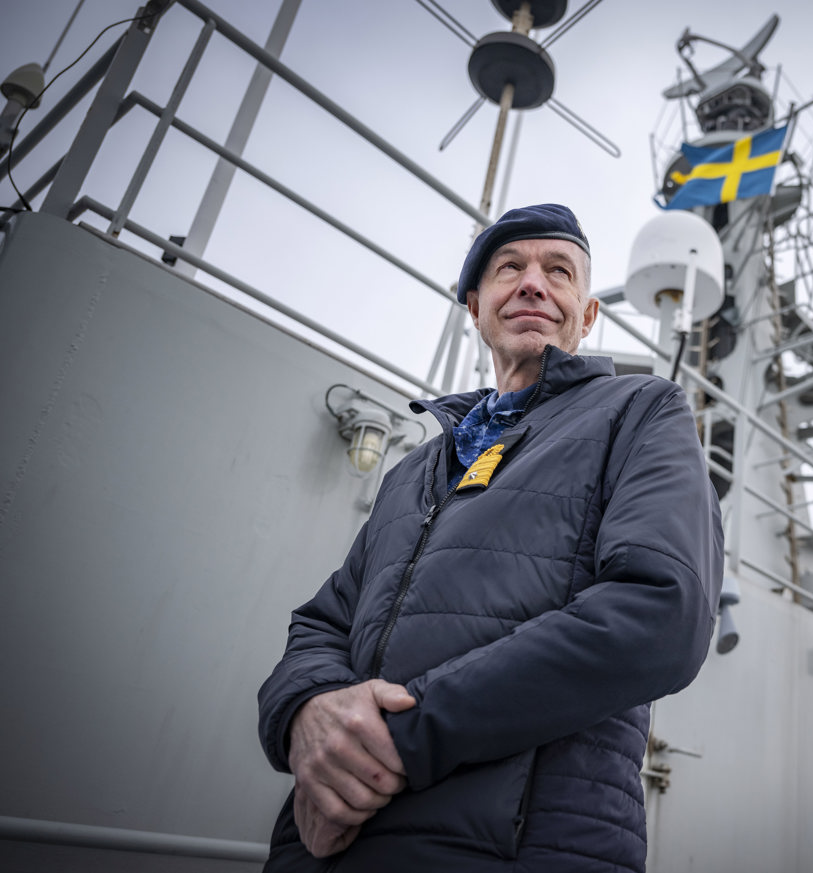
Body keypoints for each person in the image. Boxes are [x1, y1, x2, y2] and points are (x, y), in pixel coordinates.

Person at [257, 203, 724, 872]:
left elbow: (663, 609)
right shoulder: (417, 467)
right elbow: (322, 623)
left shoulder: (641, 410)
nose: (534, 283)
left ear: (586, 314)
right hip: (330, 848)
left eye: (559, 271)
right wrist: (305, 717)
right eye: (510, 267)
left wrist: (396, 739)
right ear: (475, 307)